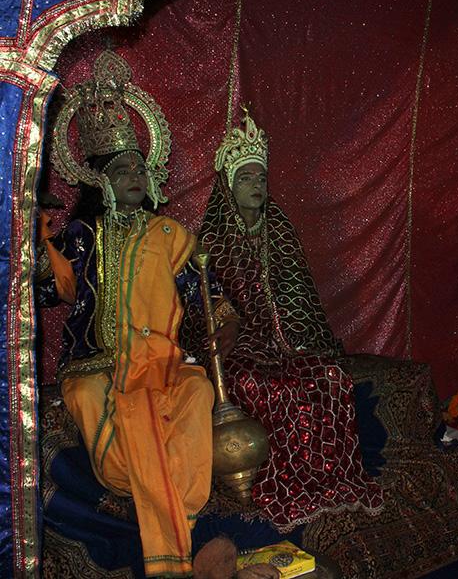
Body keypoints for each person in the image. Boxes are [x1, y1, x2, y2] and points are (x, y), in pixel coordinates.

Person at [36, 51, 275, 579]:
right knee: (95, 404)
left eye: (141, 167)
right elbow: (53, 292)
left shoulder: (168, 235)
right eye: (123, 169)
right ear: (101, 181)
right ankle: (179, 538)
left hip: (163, 361)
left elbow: (202, 294)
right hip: (95, 364)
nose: (136, 175)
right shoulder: (82, 235)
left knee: (196, 393)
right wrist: (42, 244)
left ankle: (175, 524)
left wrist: (225, 321)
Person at [181, 110, 383, 532]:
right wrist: (228, 319)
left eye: (260, 178)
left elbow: (300, 297)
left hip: (287, 342)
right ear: (228, 186)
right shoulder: (211, 239)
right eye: (246, 178)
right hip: (239, 348)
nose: (256, 186)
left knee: (328, 375)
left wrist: (299, 340)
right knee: (262, 386)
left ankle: (330, 479)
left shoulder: (280, 228)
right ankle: (276, 484)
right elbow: (200, 299)